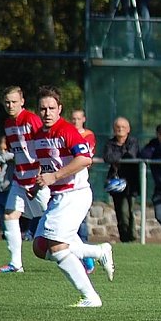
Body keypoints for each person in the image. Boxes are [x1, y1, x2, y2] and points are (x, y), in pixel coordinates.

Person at [29, 86, 115, 308]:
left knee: (57, 248)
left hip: (74, 195)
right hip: (58, 197)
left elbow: (85, 159)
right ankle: (98, 251)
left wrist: (54, 176)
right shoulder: (39, 136)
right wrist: (38, 184)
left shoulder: (66, 130)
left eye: (51, 108)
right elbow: (49, 166)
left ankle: (90, 297)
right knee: (40, 247)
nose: (47, 112)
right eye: (42, 108)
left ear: (60, 109)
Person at [0, 86, 50, 274]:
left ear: (22, 101)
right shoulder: (9, 124)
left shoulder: (31, 120)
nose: (10, 105)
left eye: (14, 102)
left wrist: (40, 176)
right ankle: (15, 264)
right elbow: (15, 151)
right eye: (7, 102)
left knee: (53, 221)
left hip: (37, 180)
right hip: (20, 179)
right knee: (10, 215)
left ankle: (88, 253)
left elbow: (44, 146)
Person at [103, 116, 140, 243]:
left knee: (130, 210)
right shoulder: (110, 143)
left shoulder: (133, 142)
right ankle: (125, 238)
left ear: (128, 129)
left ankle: (132, 237)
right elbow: (108, 157)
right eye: (118, 127)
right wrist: (121, 155)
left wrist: (118, 156)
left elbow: (132, 155)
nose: (120, 129)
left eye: (123, 127)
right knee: (121, 212)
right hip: (116, 183)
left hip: (131, 182)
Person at [70, 109, 97, 273]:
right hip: (62, 182)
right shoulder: (66, 132)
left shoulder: (87, 135)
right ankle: (87, 254)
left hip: (77, 183)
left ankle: (89, 253)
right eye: (73, 118)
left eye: (78, 118)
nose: (75, 121)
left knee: (75, 223)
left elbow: (85, 157)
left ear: (83, 119)